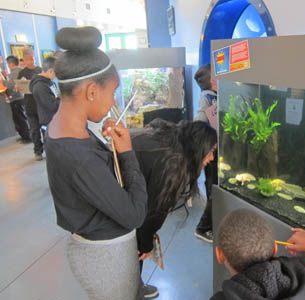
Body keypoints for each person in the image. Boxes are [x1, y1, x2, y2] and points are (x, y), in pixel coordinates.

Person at [45, 26, 148, 300]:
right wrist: (127, 153)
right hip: (106, 258)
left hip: (96, 249)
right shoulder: (78, 157)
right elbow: (135, 215)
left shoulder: (63, 124)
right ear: (91, 91)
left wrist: (109, 146)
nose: (114, 100)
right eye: (113, 92)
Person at [101, 117, 217, 298]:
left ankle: (134, 286)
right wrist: (146, 244)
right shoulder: (174, 165)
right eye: (211, 151)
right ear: (199, 148)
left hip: (117, 187)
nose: (211, 158)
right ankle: (132, 291)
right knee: (135, 252)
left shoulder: (170, 136)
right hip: (119, 201)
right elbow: (154, 213)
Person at [194, 64, 218, 243]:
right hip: (211, 153)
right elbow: (199, 122)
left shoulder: (211, 96)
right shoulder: (207, 98)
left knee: (214, 188)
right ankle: (203, 228)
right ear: (213, 81)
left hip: (214, 152)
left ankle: (211, 223)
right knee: (213, 191)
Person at [17, 48, 42, 160]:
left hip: (41, 104)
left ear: (34, 58)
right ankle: (38, 151)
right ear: (24, 60)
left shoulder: (40, 70)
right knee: (34, 130)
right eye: (27, 59)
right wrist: (18, 87)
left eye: (31, 59)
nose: (29, 61)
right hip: (29, 105)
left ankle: (50, 149)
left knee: (46, 129)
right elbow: (19, 87)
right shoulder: (22, 73)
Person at [2, 55, 31, 142]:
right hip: (20, 98)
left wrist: (2, 81)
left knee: (20, 118)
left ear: (11, 64)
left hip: (17, 99)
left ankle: (27, 137)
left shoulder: (15, 72)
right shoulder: (20, 71)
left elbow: (10, 85)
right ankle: (24, 135)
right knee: (19, 118)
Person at [29, 56, 59, 128]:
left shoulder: (49, 81)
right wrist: (64, 97)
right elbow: (51, 106)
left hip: (55, 118)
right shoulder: (40, 86)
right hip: (49, 121)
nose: (57, 76)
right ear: (50, 71)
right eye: (56, 73)